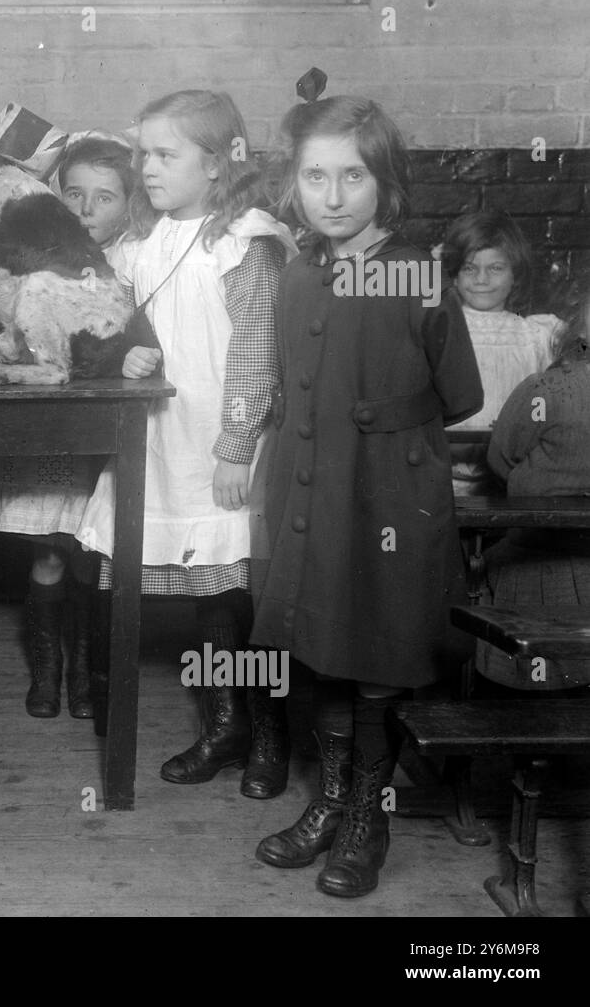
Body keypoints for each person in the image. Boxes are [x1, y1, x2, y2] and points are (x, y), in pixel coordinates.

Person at [252, 87, 483, 897]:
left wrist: (382, 424)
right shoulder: (296, 274)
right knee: (323, 649)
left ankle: (367, 818)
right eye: (316, 177)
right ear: (295, 186)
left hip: (385, 496)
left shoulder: (419, 278)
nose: (334, 196)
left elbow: (459, 395)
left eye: (353, 177)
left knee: (377, 652)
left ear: (386, 183)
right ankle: (332, 799)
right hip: (311, 493)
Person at [75, 93, 298, 798]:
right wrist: (126, 356)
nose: (146, 167)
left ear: (219, 160)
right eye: (142, 152)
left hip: (227, 443)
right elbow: (118, 326)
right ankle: (224, 722)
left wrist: (236, 443)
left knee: (247, 594)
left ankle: (269, 735)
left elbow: (255, 354)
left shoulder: (246, 240)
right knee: (210, 598)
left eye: (165, 154)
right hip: (165, 440)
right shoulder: (149, 243)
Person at [0, 134, 137, 720]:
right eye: (74, 194)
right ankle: (47, 673)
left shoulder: (131, 265)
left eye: (104, 198)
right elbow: (19, 332)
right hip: (45, 434)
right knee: (49, 553)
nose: (86, 210)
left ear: (129, 207)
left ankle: (86, 676)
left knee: (89, 557)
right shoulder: (43, 264)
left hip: (102, 435)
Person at [440, 211, 563, 495]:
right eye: (469, 268)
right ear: (455, 276)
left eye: (495, 268)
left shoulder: (535, 335)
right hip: (444, 474)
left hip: (511, 476)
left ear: (515, 275)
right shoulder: (441, 330)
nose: (481, 279)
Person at [485, 289, 590, 605]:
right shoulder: (547, 389)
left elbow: (503, 458)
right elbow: (502, 456)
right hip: (539, 555)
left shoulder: (548, 389)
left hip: (559, 560)